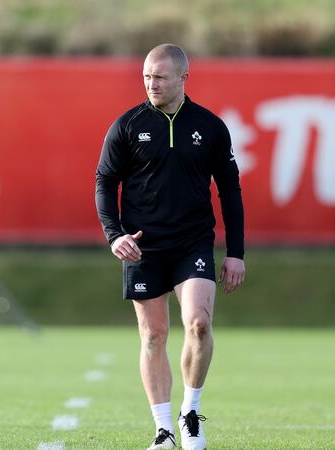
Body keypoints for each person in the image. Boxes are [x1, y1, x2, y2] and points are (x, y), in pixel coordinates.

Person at [94, 43, 245, 450]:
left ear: (183, 78)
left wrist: (236, 252)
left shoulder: (210, 127)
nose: (151, 84)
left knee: (198, 323)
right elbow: (104, 182)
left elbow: (230, 190)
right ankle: (163, 430)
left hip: (193, 242)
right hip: (143, 247)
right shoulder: (127, 126)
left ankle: (190, 413)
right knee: (153, 335)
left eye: (160, 77)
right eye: (146, 76)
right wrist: (115, 235)